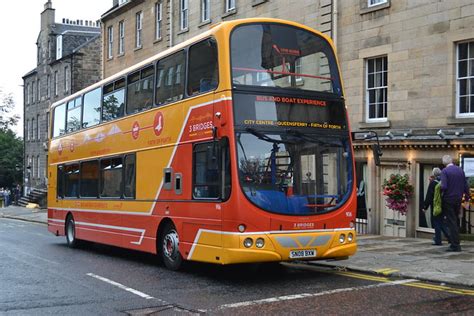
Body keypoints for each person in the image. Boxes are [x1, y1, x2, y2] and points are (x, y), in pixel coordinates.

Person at [440, 155, 470, 252]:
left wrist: (440, 192)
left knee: (451, 221)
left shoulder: (445, 171)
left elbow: (444, 186)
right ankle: (456, 242)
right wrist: (467, 198)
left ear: (444, 163)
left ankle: (455, 245)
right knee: (456, 221)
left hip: (448, 199)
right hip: (458, 199)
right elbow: (466, 186)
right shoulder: (460, 170)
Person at [422, 167, 449, 245]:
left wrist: (425, 207)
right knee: (441, 223)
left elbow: (429, 196)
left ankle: (438, 240)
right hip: (444, 205)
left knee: (437, 223)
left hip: (436, 205)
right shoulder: (443, 182)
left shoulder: (433, 183)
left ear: (433, 174)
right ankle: (450, 237)